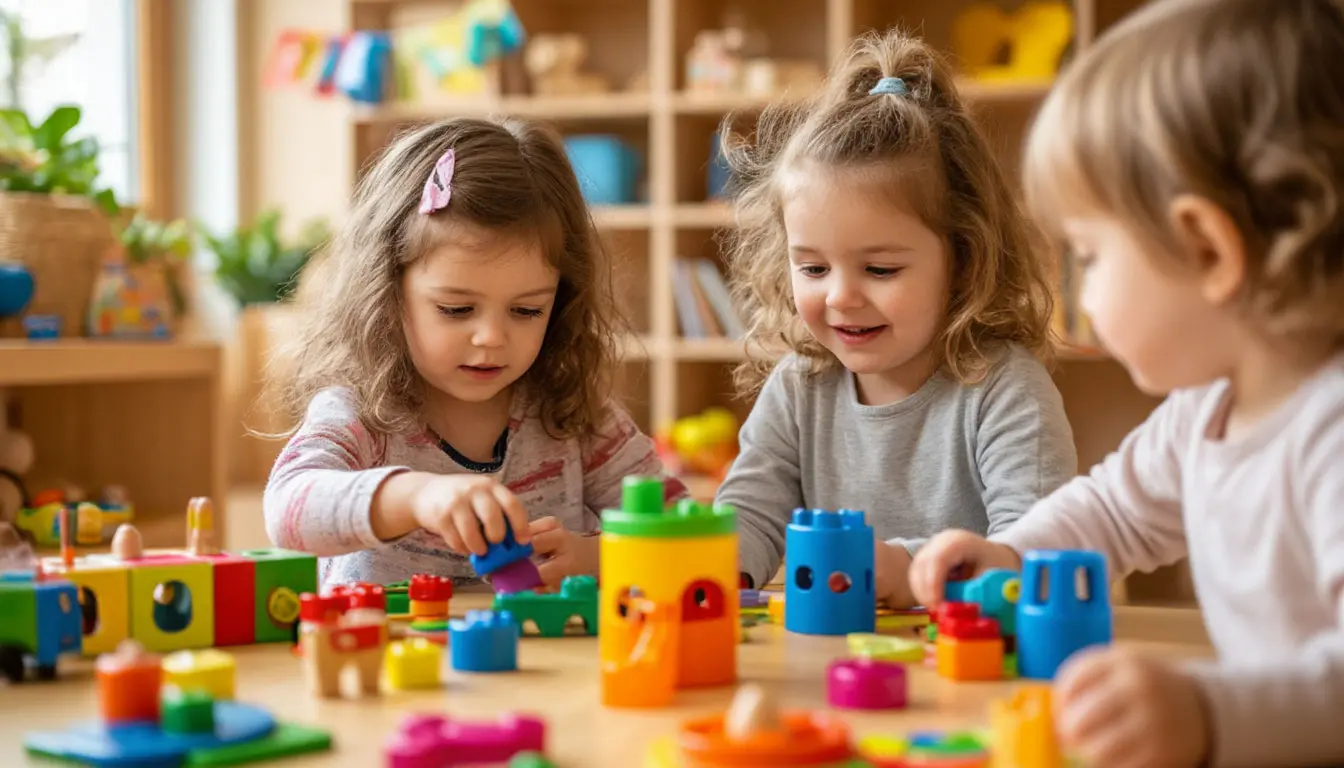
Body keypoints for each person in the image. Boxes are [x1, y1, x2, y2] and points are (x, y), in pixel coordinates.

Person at [908, 1, 1344, 766]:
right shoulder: (1205, 411)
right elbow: (1112, 513)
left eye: (1091, 256)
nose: (1084, 288)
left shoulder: (1329, 432)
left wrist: (1207, 712)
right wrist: (1010, 557)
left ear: (1208, 249)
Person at [715, 29, 1076, 605]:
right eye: (812, 269)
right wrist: (713, 570)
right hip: (832, 667)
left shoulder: (1006, 391)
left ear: (964, 259)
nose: (840, 297)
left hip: (971, 675)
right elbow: (749, 517)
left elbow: (1035, 554)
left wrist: (909, 573)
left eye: (880, 270)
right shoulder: (799, 387)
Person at [263, 117, 686, 588]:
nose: (491, 337)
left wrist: (603, 555)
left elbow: (689, 538)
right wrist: (416, 495)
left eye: (526, 310)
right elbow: (288, 509)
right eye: (457, 308)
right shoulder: (363, 416)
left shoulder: (578, 419)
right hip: (389, 660)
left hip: (550, 662)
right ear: (386, 293)